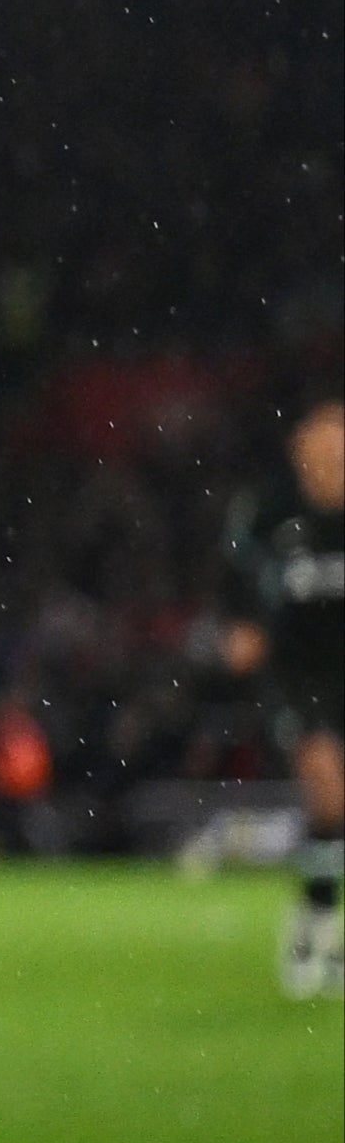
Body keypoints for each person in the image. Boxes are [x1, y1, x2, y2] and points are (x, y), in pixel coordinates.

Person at [221, 395, 345, 997]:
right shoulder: (270, 515)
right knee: (325, 782)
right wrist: (239, 626)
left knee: (336, 809)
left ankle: (324, 926)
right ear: (299, 453)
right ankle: (315, 926)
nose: (330, 461)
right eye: (320, 448)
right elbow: (233, 576)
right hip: (299, 678)